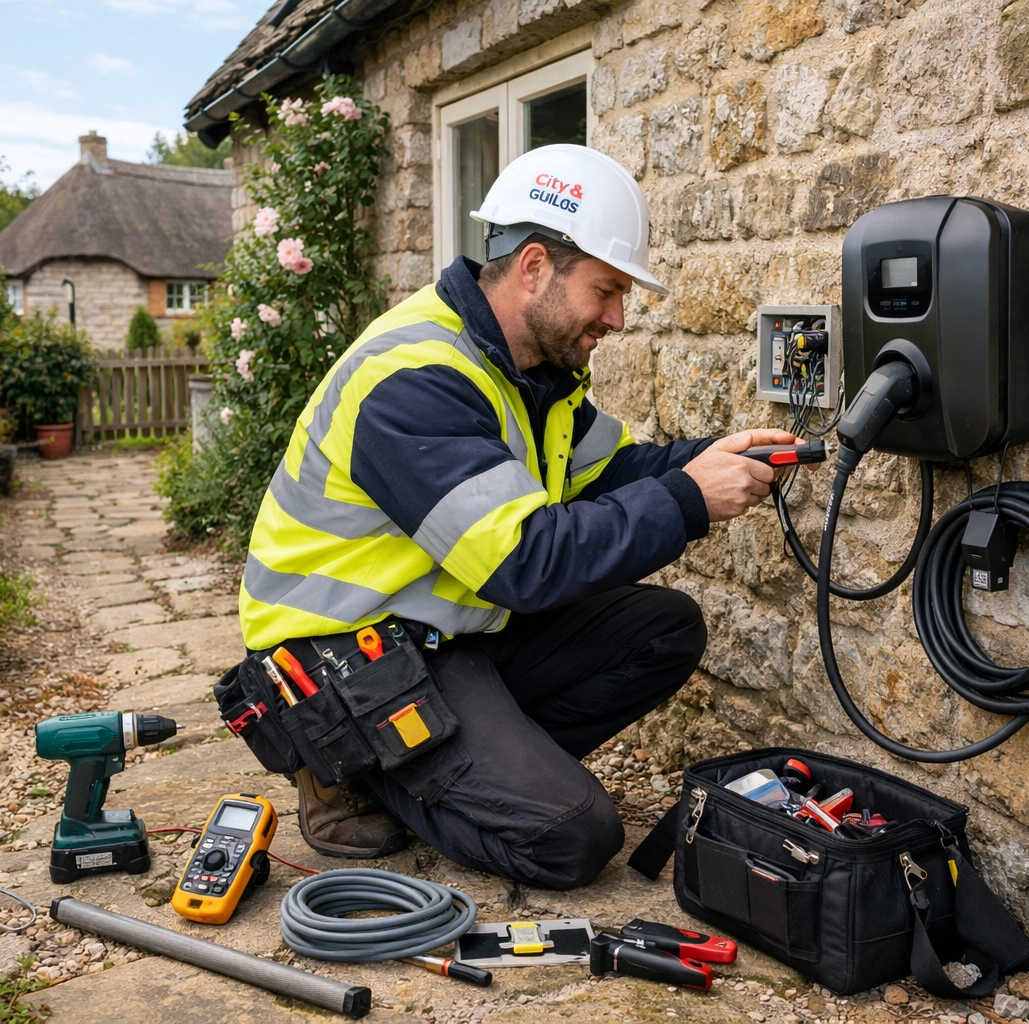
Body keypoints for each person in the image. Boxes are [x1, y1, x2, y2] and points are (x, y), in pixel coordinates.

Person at [238, 144, 796, 889]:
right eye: (605, 291)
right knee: (570, 837)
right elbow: (524, 564)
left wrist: (712, 458)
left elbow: (616, 473)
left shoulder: (531, 374)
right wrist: (692, 497)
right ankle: (356, 771)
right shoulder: (412, 380)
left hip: (449, 632)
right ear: (535, 267)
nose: (618, 318)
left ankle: (465, 766)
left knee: (663, 629)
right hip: (348, 657)